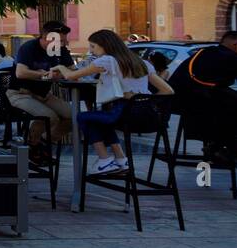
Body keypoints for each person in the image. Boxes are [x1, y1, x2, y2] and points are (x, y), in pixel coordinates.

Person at [54, 29, 173, 175]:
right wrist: (144, 99)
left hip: (124, 114)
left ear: (104, 46)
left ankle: (104, 160)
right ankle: (121, 159)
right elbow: (168, 90)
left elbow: (71, 76)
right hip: (148, 116)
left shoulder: (106, 61)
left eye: (93, 46)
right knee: (101, 118)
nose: (91, 50)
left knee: (83, 117)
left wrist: (60, 67)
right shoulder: (141, 62)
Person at [167, 30, 237, 173]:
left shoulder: (210, 53)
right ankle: (229, 149)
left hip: (186, 100)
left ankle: (219, 147)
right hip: (196, 103)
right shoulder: (227, 57)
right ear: (236, 45)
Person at [7, 20, 75, 161]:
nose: (62, 44)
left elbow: (73, 71)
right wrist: (44, 74)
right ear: (46, 38)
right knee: (49, 117)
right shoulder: (29, 47)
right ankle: (32, 145)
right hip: (20, 93)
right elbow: (21, 72)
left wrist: (60, 74)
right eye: (59, 40)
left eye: (63, 40)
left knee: (73, 116)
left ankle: (42, 143)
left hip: (43, 95)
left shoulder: (59, 49)